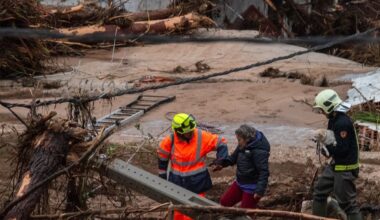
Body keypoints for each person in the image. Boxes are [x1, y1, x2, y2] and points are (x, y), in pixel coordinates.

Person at [157, 113, 228, 220]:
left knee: (192, 215)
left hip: (197, 185)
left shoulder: (201, 136)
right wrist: (162, 182)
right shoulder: (169, 142)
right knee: (177, 215)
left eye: (191, 130)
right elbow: (162, 162)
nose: (191, 133)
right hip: (177, 186)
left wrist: (220, 160)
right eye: (188, 132)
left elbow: (221, 143)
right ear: (178, 131)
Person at [312, 89, 361, 220]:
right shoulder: (334, 119)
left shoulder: (342, 123)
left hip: (345, 168)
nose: (321, 112)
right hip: (336, 164)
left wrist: (325, 140)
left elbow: (341, 149)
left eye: (321, 109)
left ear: (328, 106)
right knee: (319, 193)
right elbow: (334, 144)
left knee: (348, 205)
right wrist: (326, 145)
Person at [212, 124, 270, 209]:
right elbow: (232, 158)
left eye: (239, 140)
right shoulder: (243, 145)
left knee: (245, 213)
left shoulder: (259, 152)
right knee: (224, 202)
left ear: (247, 139)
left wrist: (259, 191)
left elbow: (264, 172)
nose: (238, 142)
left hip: (252, 187)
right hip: (239, 183)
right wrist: (222, 163)